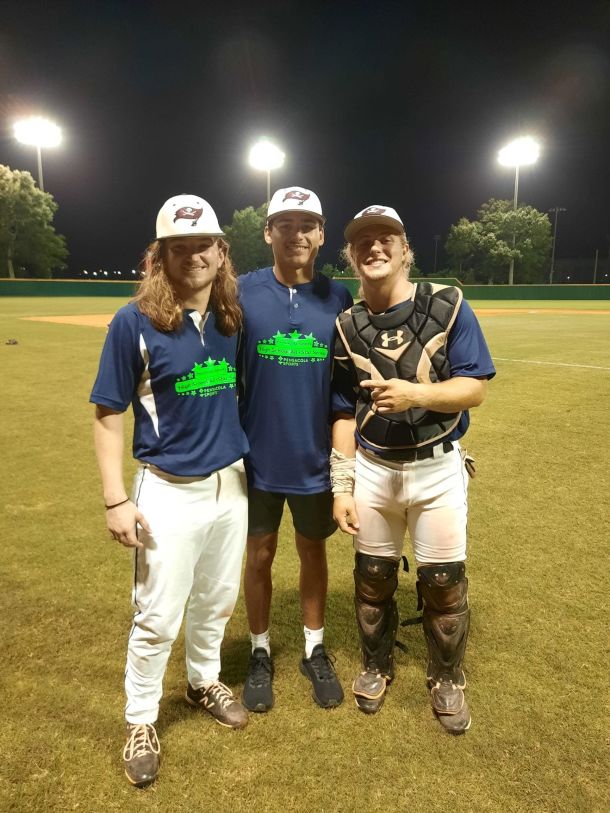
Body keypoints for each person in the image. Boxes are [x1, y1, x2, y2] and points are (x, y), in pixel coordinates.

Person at [91, 195, 250, 788]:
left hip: (232, 486)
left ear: (220, 252)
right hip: (167, 490)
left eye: (202, 245)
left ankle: (203, 681)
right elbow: (107, 414)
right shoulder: (133, 321)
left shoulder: (230, 319)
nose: (193, 256)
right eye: (178, 248)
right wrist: (116, 499)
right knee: (158, 616)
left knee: (217, 600)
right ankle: (140, 718)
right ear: (159, 257)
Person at [331, 204, 495, 733]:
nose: (375, 247)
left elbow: (474, 387)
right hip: (373, 468)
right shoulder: (346, 325)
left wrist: (416, 394)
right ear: (351, 255)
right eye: (363, 241)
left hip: (437, 466)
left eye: (387, 238)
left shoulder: (447, 304)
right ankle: (375, 664)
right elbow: (342, 410)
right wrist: (342, 484)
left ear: (405, 250)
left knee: (444, 581)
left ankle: (447, 677)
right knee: (372, 578)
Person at [238, 186, 353, 712]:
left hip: (313, 458)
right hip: (255, 457)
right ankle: (259, 651)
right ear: (269, 233)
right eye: (285, 224)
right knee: (259, 555)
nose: (297, 234)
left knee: (313, 551)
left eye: (307, 225)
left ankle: (314, 648)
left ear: (321, 235)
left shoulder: (338, 298)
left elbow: (345, 389)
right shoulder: (241, 292)